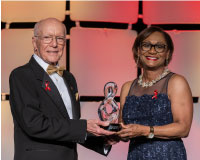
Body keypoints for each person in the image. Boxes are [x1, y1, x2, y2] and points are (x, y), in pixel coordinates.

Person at [9, 18, 114, 160]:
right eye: (47, 38)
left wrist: (102, 139)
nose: (54, 44)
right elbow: (34, 123)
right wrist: (83, 127)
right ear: (35, 42)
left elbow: (68, 126)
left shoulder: (69, 78)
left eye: (60, 38)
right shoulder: (21, 75)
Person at [117, 26, 193, 160]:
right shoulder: (127, 87)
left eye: (159, 46)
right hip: (135, 155)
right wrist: (114, 132)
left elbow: (183, 128)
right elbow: (124, 130)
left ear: (168, 53)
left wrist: (145, 130)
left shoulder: (176, 82)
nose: (152, 51)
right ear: (138, 50)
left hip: (168, 155)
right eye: (146, 45)